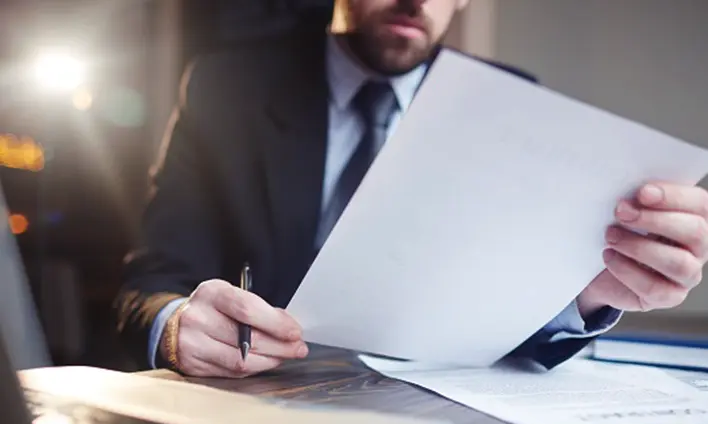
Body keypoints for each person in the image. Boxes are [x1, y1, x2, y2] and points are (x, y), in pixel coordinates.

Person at [115, 0, 708, 377]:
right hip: (260, 405)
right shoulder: (225, 86)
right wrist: (173, 326)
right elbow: (151, 281)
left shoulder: (509, 102)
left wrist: (589, 292)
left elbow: (504, 308)